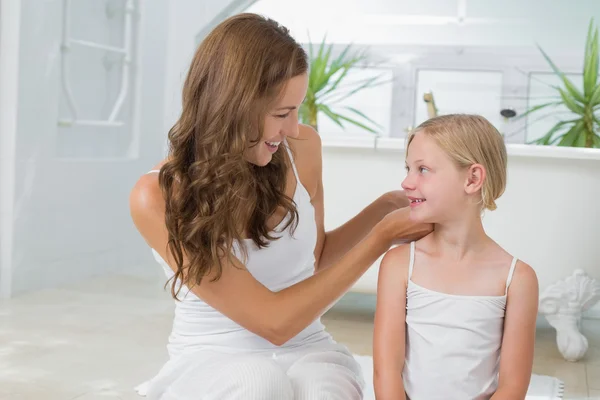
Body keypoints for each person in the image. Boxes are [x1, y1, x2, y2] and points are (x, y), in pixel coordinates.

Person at [129, 13, 431, 400]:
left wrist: (385, 209)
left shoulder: (302, 147)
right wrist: (382, 238)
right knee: (259, 384)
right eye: (281, 113)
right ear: (233, 106)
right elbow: (272, 323)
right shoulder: (156, 196)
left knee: (325, 390)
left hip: (307, 347)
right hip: (213, 358)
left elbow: (315, 261)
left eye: (297, 110)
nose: (293, 128)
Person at [373, 114, 539, 400]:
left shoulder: (517, 279)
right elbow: (386, 371)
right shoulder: (400, 264)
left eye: (422, 169)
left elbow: (513, 387)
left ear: (472, 179)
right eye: (408, 168)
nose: (406, 181)